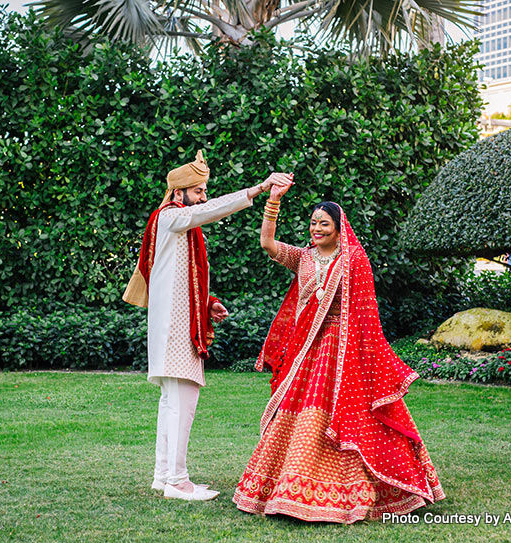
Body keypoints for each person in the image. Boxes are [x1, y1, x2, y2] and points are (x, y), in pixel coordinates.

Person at [232, 184, 445, 523]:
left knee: (339, 417)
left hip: (342, 348)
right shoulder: (303, 256)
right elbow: (267, 244)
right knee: (297, 411)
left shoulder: (354, 261)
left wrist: (358, 358)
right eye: (313, 223)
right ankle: (288, 487)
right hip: (306, 349)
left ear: (338, 228)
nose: (316, 230)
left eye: (323, 225)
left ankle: (348, 492)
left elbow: (364, 315)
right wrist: (272, 201)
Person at [123, 150, 292, 501]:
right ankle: (178, 481)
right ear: (179, 192)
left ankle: (162, 476)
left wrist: (208, 303)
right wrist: (258, 189)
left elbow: (179, 276)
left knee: (172, 401)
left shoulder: (172, 221)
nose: (203, 197)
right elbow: (209, 212)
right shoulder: (170, 216)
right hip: (175, 327)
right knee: (182, 399)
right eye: (198, 191)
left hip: (173, 322)